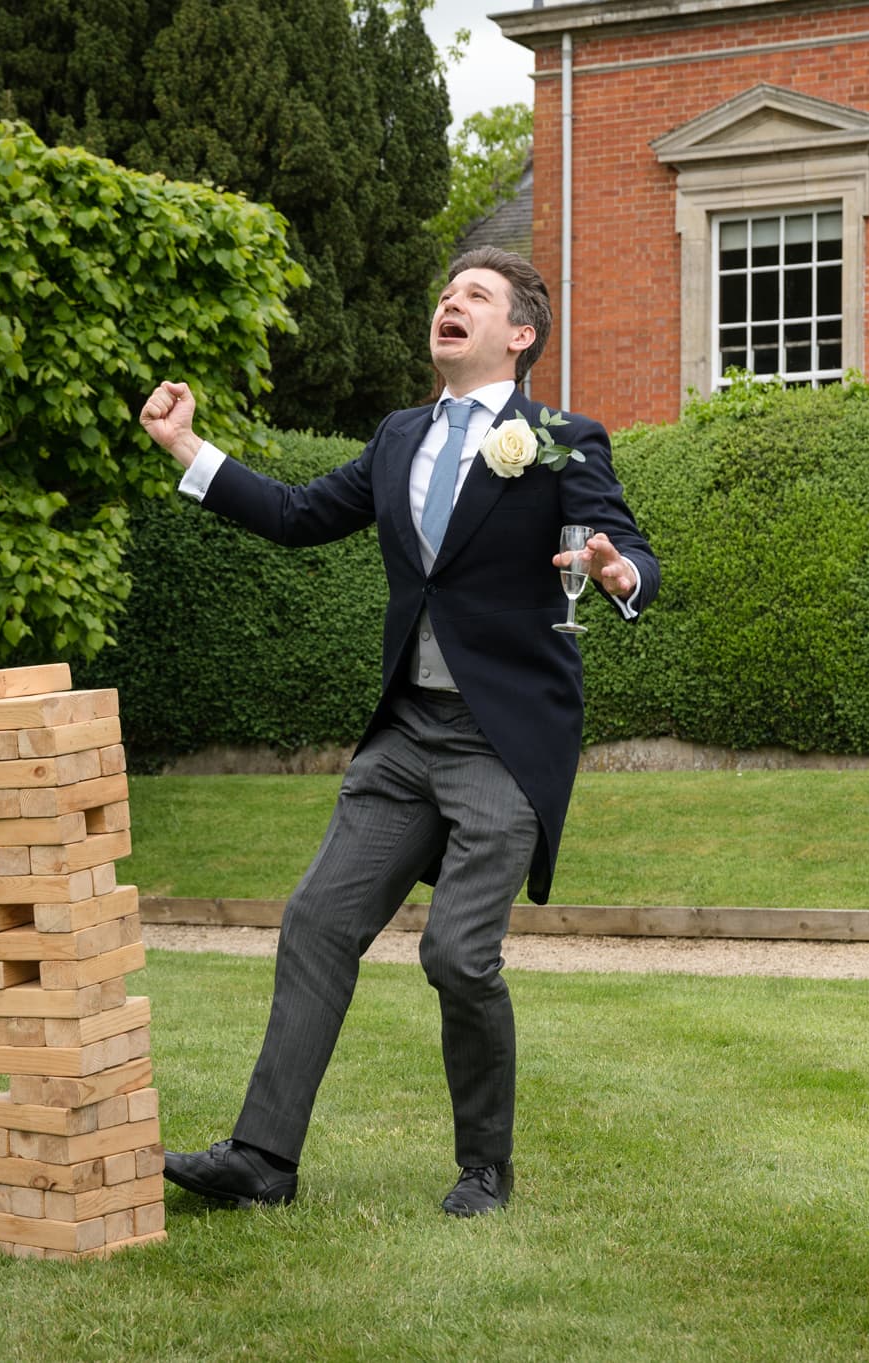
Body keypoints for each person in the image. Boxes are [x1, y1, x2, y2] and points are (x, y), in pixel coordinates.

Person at [137, 246, 659, 1217]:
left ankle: (484, 1170)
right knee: (316, 920)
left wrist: (617, 571)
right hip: (405, 734)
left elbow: (620, 541)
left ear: (519, 333)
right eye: (445, 292)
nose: (448, 303)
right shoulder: (394, 438)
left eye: (475, 296)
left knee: (457, 956)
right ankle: (262, 1158)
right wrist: (185, 449)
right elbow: (296, 515)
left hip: (500, 744)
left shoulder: (555, 438)